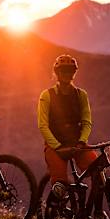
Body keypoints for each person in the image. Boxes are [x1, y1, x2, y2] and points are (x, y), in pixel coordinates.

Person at [37, 54, 98, 207]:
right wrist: (57, 146)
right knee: (60, 185)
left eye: (70, 71)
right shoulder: (47, 95)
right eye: (63, 70)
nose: (67, 74)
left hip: (77, 144)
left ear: (74, 73)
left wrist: (82, 142)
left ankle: (96, 212)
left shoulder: (81, 95)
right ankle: (53, 212)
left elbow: (86, 122)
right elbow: (43, 125)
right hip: (55, 146)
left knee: (98, 171)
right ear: (57, 73)